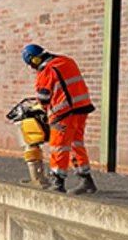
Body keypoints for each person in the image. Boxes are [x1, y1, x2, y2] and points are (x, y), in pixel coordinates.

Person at [21, 44, 96, 194]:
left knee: (58, 146)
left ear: (34, 60)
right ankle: (86, 180)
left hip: (63, 113)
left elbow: (44, 97)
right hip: (81, 109)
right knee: (76, 144)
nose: (33, 68)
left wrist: (43, 108)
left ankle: (57, 182)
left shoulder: (47, 69)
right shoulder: (66, 61)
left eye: (32, 65)